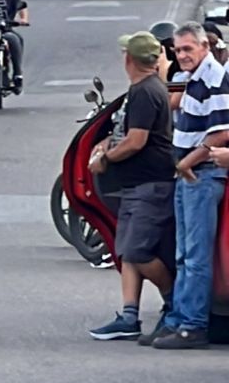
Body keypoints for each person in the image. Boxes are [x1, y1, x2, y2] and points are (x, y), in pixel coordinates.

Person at [88, 33, 176, 342]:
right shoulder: (143, 89)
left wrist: (105, 159)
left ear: (129, 59)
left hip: (149, 185)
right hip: (136, 184)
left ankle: (174, 301)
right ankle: (129, 315)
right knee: (126, 250)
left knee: (137, 251)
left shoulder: (145, 92)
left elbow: (136, 141)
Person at [150, 23, 229, 349]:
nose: (181, 55)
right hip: (190, 176)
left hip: (202, 175)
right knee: (183, 254)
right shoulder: (193, 79)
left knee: (195, 256)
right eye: (178, 50)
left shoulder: (214, 79)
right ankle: (178, 320)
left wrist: (187, 162)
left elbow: (222, 132)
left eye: (188, 49)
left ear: (204, 48)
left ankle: (192, 325)